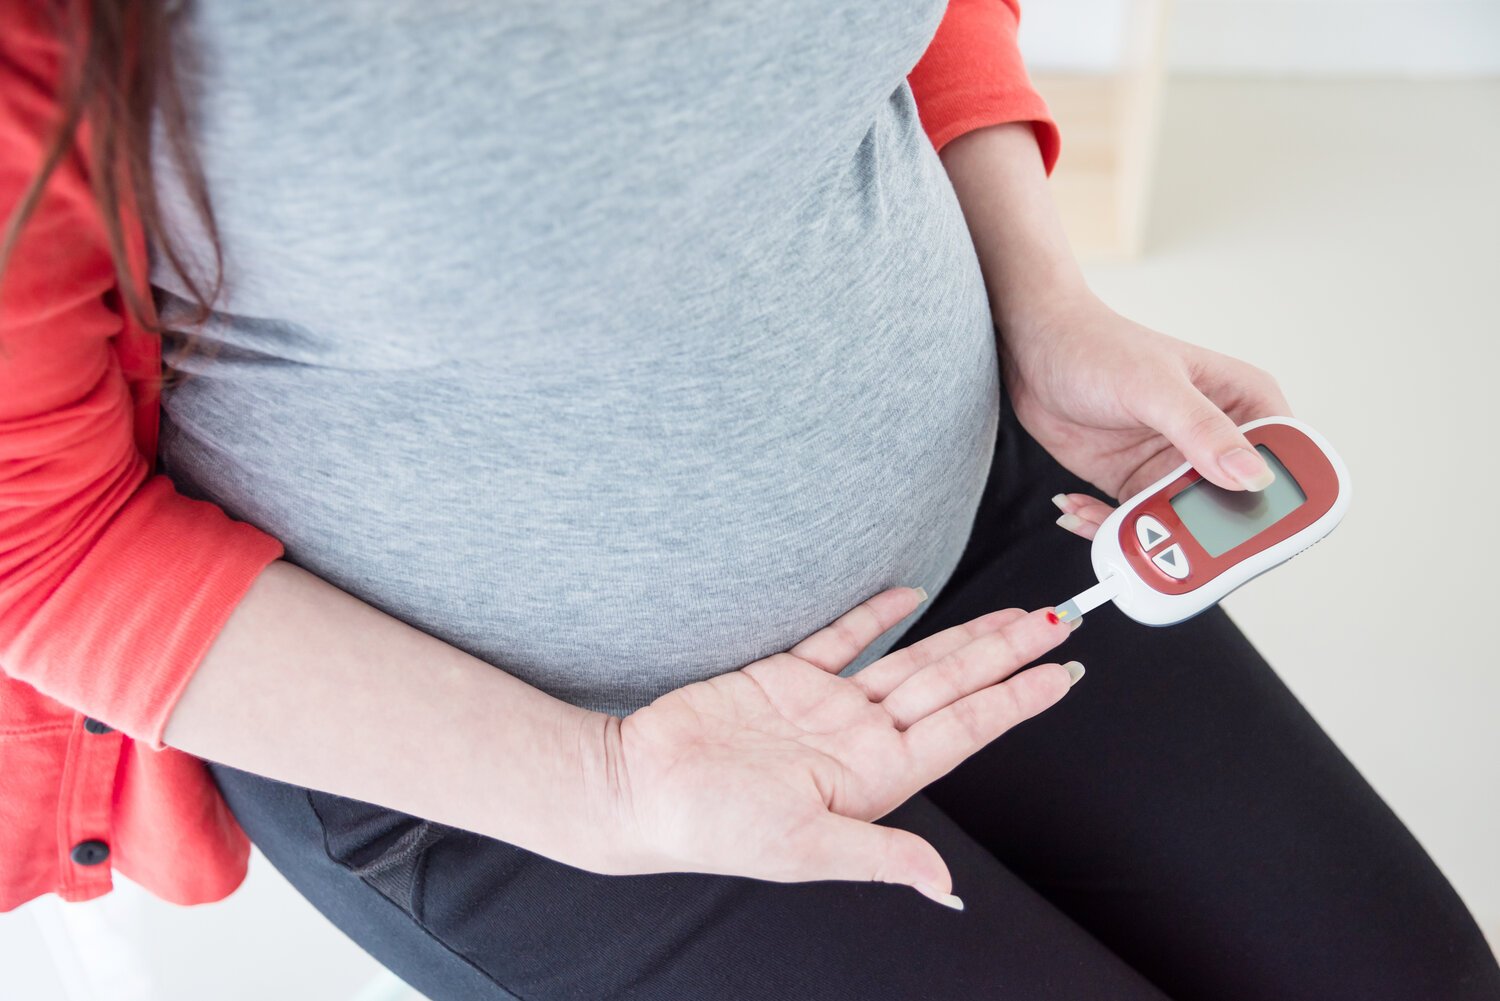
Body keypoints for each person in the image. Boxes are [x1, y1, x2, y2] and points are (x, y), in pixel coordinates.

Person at [1, 1, 1495, 998]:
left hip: (988, 531)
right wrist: (604, 782)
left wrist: (1039, 300)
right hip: (538, 771)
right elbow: (41, 538)